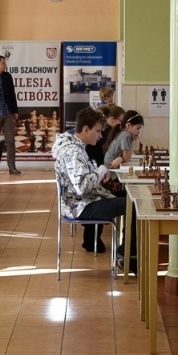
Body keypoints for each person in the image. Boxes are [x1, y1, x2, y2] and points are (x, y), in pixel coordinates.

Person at [53, 107, 125, 253]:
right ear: (86, 129)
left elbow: (82, 177)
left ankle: (127, 250)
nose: (100, 136)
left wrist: (98, 172)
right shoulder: (74, 151)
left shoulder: (77, 147)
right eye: (97, 131)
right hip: (80, 206)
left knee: (129, 198)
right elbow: (82, 186)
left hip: (84, 201)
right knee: (134, 204)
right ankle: (128, 254)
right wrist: (101, 170)